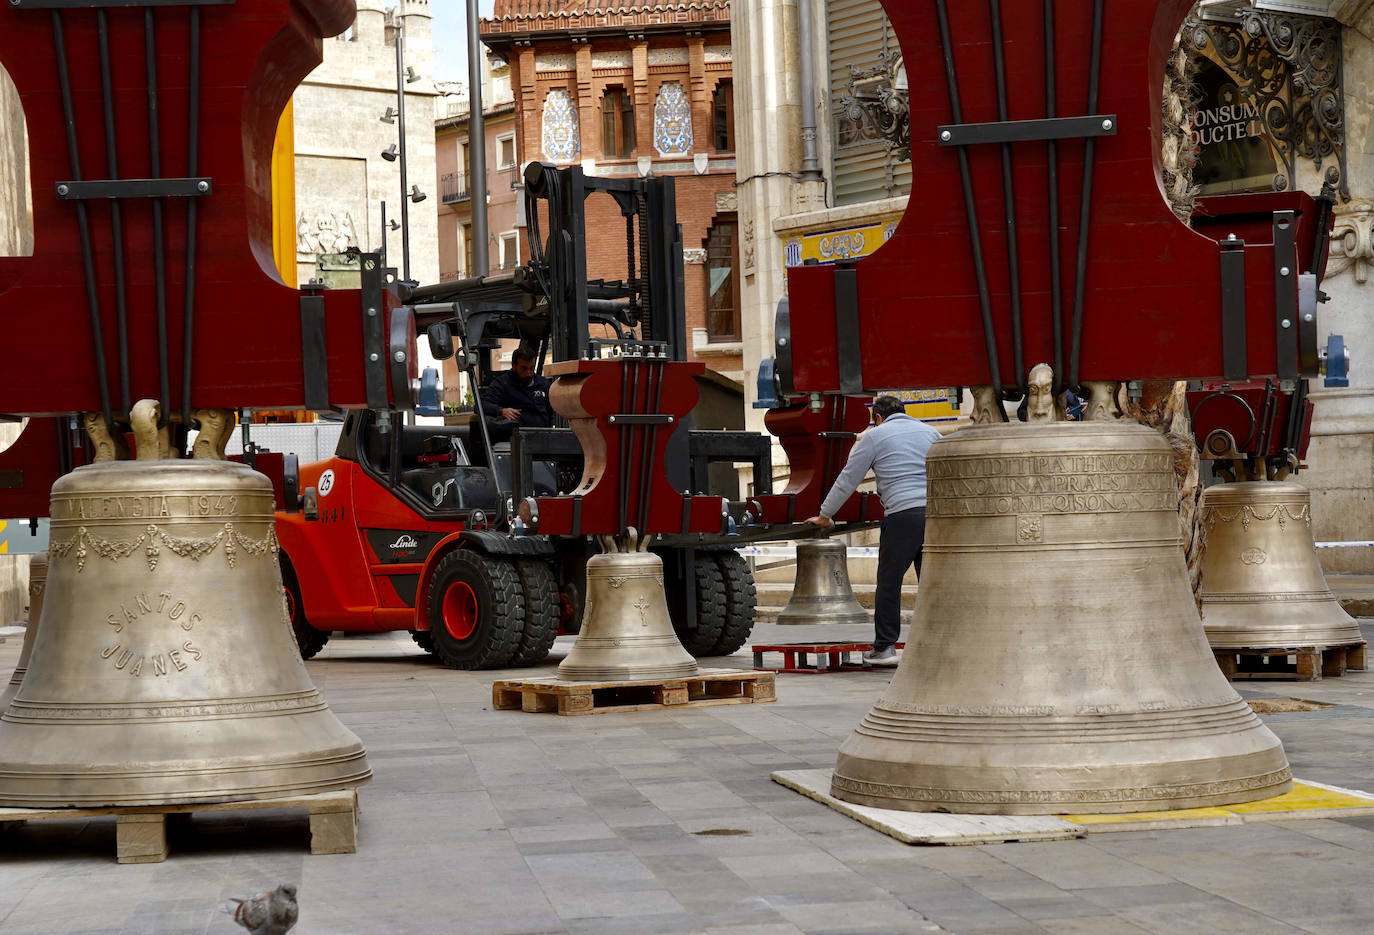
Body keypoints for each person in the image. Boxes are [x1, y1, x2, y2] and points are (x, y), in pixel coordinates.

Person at [805, 395, 941, 666]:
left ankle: (885, 648)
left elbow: (848, 479)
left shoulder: (875, 436)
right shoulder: (931, 432)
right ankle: (936, 645)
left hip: (902, 515)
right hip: (936, 515)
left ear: (878, 418)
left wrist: (825, 514)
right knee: (932, 584)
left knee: (890, 582)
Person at [481, 347, 554, 432]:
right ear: (513, 366)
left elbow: (551, 413)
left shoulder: (544, 384)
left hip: (543, 435)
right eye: (524, 368)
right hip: (515, 437)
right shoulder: (503, 383)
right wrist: (501, 411)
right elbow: (481, 405)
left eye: (532, 368)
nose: (529, 374)